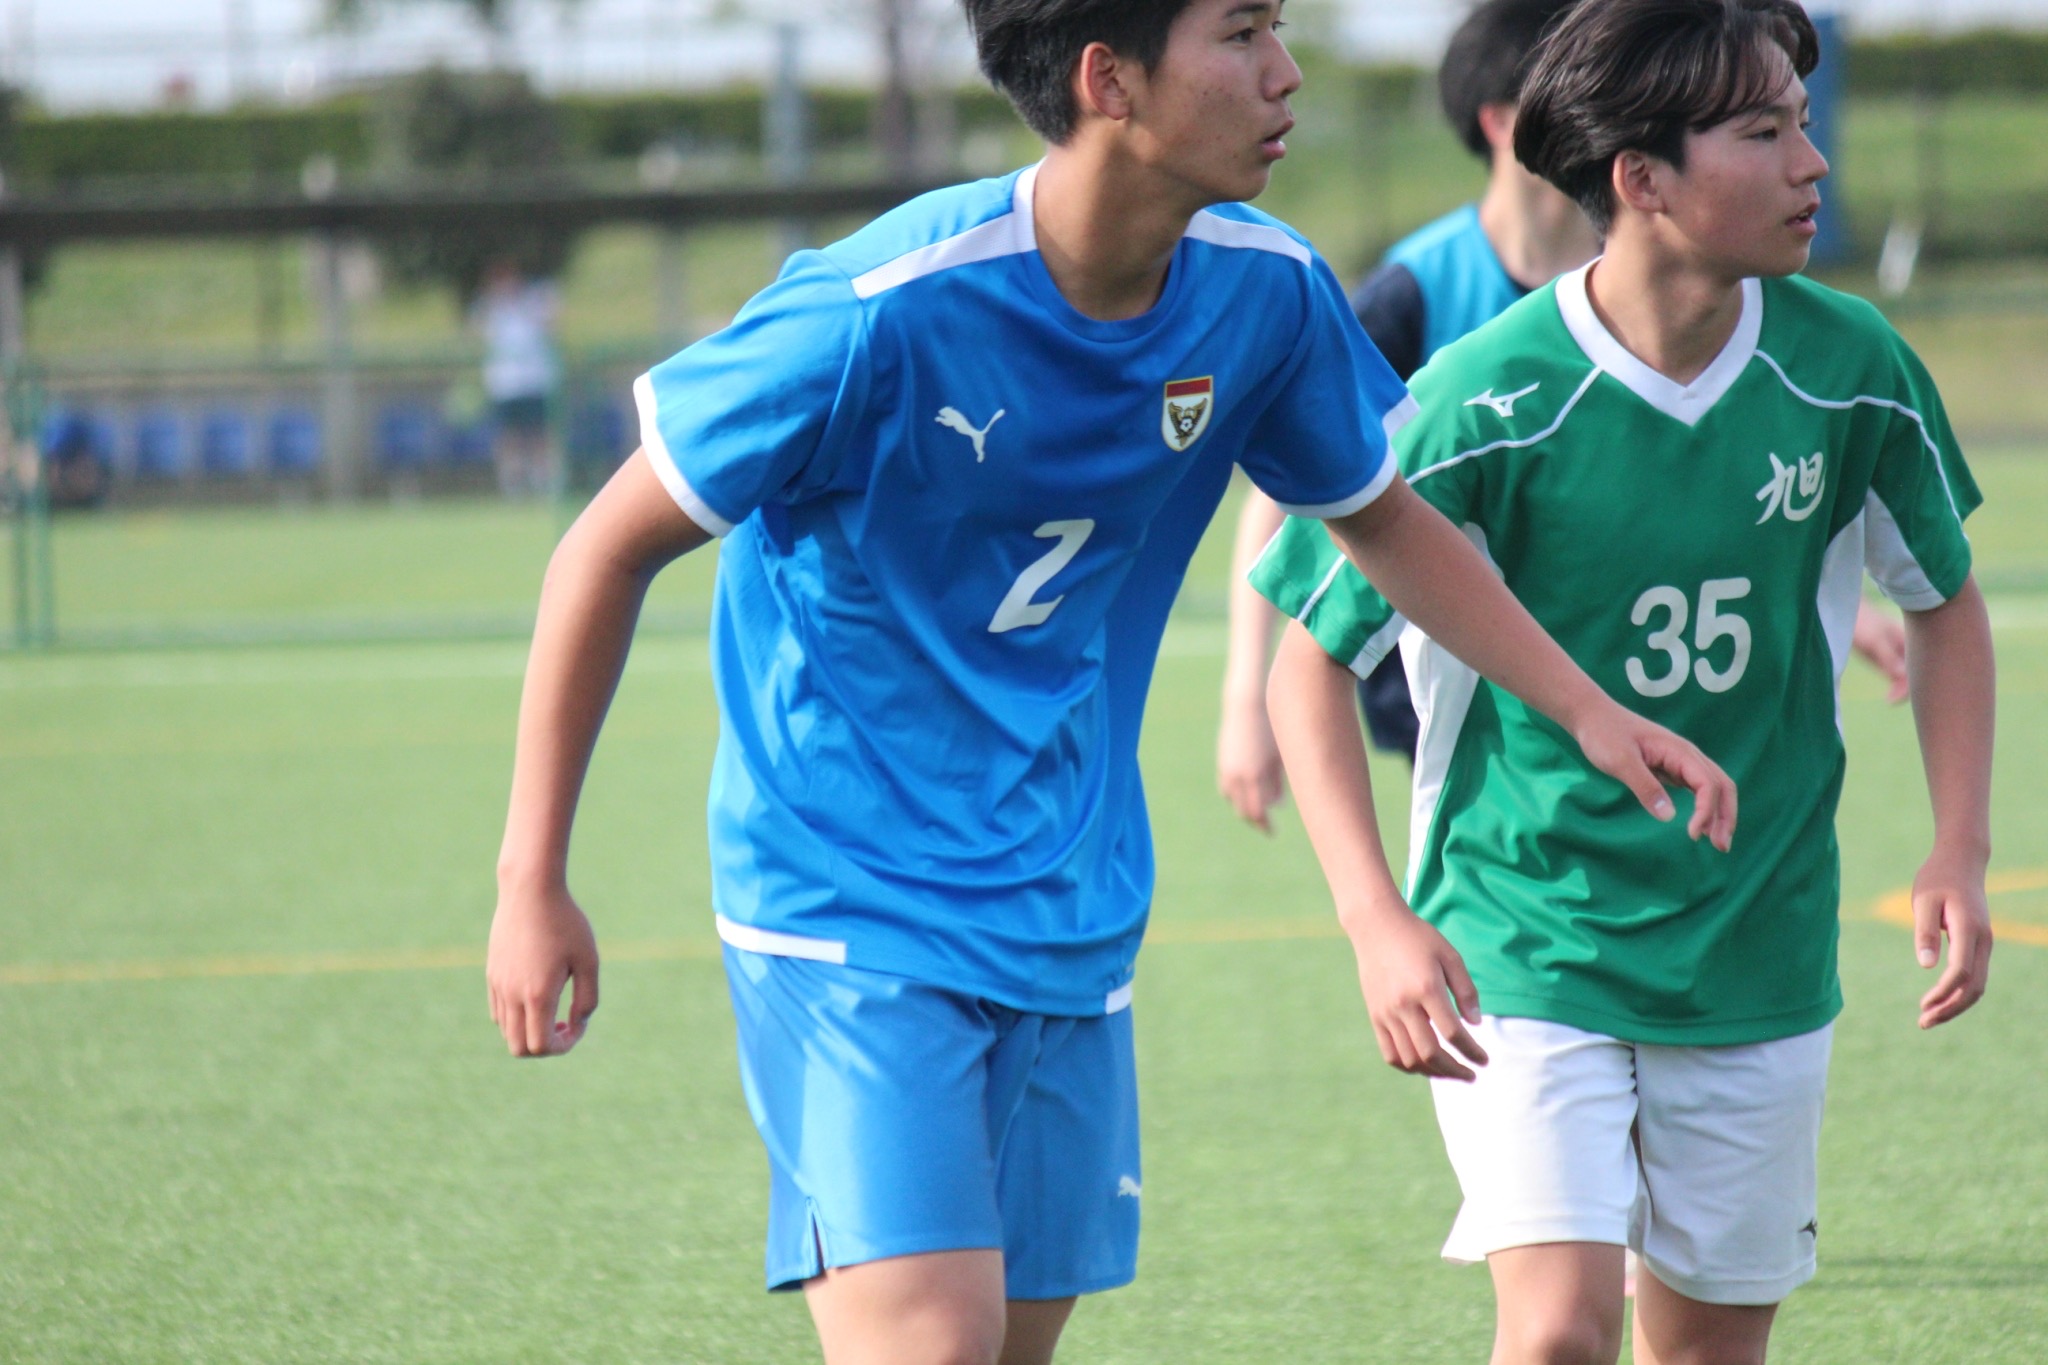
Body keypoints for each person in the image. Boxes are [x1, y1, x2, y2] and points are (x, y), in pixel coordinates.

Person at [484, 2, 1735, 1362]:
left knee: (1009, 1344)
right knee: (936, 1339)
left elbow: (1386, 521)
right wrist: (529, 880)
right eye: (1241, 34)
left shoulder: (1264, 292)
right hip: (846, 897)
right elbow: (602, 550)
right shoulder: (877, 309)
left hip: (1071, 899)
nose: (1284, 72)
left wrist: (1587, 709)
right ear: (1108, 80)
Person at [1250, 3, 1994, 1363]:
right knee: (1556, 1333)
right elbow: (1308, 657)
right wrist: (1373, 921)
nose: (1811, 163)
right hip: (1524, 930)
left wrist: (1959, 845)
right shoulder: (1483, 395)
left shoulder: (1854, 371)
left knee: (1704, 1346)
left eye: (1804, 125)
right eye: (1762, 133)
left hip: (1757, 936)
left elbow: (1942, 601)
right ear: (1640, 176)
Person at [1213, 0, 1908, 833]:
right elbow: (1316, 487)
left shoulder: (1673, 282)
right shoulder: (1422, 300)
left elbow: (1684, 497)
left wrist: (1827, 604)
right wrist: (1245, 694)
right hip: (1471, 679)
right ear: (1508, 119)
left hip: (1643, 676)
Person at [472, 257, 561, 497]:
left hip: (534, 382)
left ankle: (544, 481)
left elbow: (551, 325)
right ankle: (514, 483)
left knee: (539, 433)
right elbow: (477, 335)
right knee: (508, 436)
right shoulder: (489, 307)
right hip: (504, 385)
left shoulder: (534, 300)